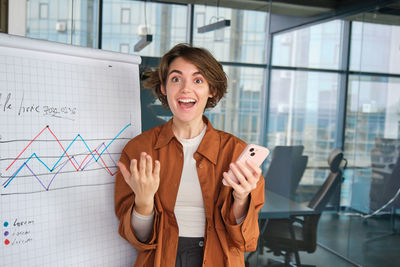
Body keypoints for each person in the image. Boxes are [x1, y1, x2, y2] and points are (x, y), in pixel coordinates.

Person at [114, 43, 265, 267]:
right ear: (164, 88)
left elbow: (245, 241)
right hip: (160, 259)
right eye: (176, 79)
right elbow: (139, 239)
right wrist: (144, 202)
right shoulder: (139, 150)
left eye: (198, 80)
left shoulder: (236, 152)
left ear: (211, 89)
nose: (186, 89)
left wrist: (241, 199)